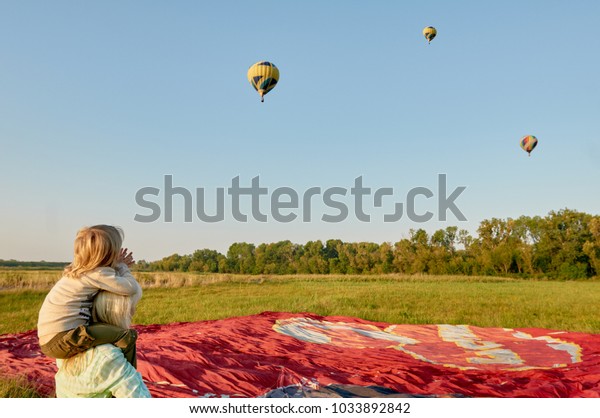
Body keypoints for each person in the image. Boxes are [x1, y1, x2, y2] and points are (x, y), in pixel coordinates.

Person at [38, 225, 142, 368]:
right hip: (64, 338)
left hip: (52, 338)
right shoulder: (97, 274)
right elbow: (130, 288)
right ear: (108, 254)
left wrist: (117, 265)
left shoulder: (80, 271)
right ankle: (129, 376)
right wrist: (122, 266)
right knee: (126, 336)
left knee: (106, 330)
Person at [55, 290, 151, 397]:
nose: (134, 311)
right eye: (130, 308)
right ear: (119, 313)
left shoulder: (67, 347)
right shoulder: (109, 357)